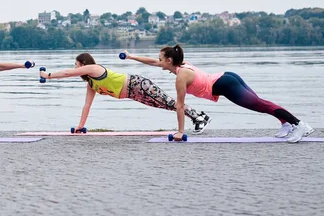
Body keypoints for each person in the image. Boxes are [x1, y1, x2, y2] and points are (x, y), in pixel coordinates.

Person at [122, 45, 314, 143]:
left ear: (169, 60)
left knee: (259, 105)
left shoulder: (180, 77)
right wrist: (131, 57)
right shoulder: (179, 65)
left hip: (225, 85)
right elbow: (151, 62)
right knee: (260, 103)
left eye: (161, 59)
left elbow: (179, 106)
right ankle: (286, 124)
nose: (158, 62)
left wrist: (180, 132)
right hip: (227, 77)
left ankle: (299, 124)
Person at [38, 52, 211, 133]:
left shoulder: (94, 68)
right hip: (133, 94)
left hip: (138, 84)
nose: (75, 68)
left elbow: (68, 73)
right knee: (165, 105)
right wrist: (80, 126)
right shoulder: (91, 83)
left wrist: (49, 76)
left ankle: (198, 117)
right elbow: (87, 105)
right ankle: (198, 116)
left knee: (167, 101)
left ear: (83, 64)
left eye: (76, 64)